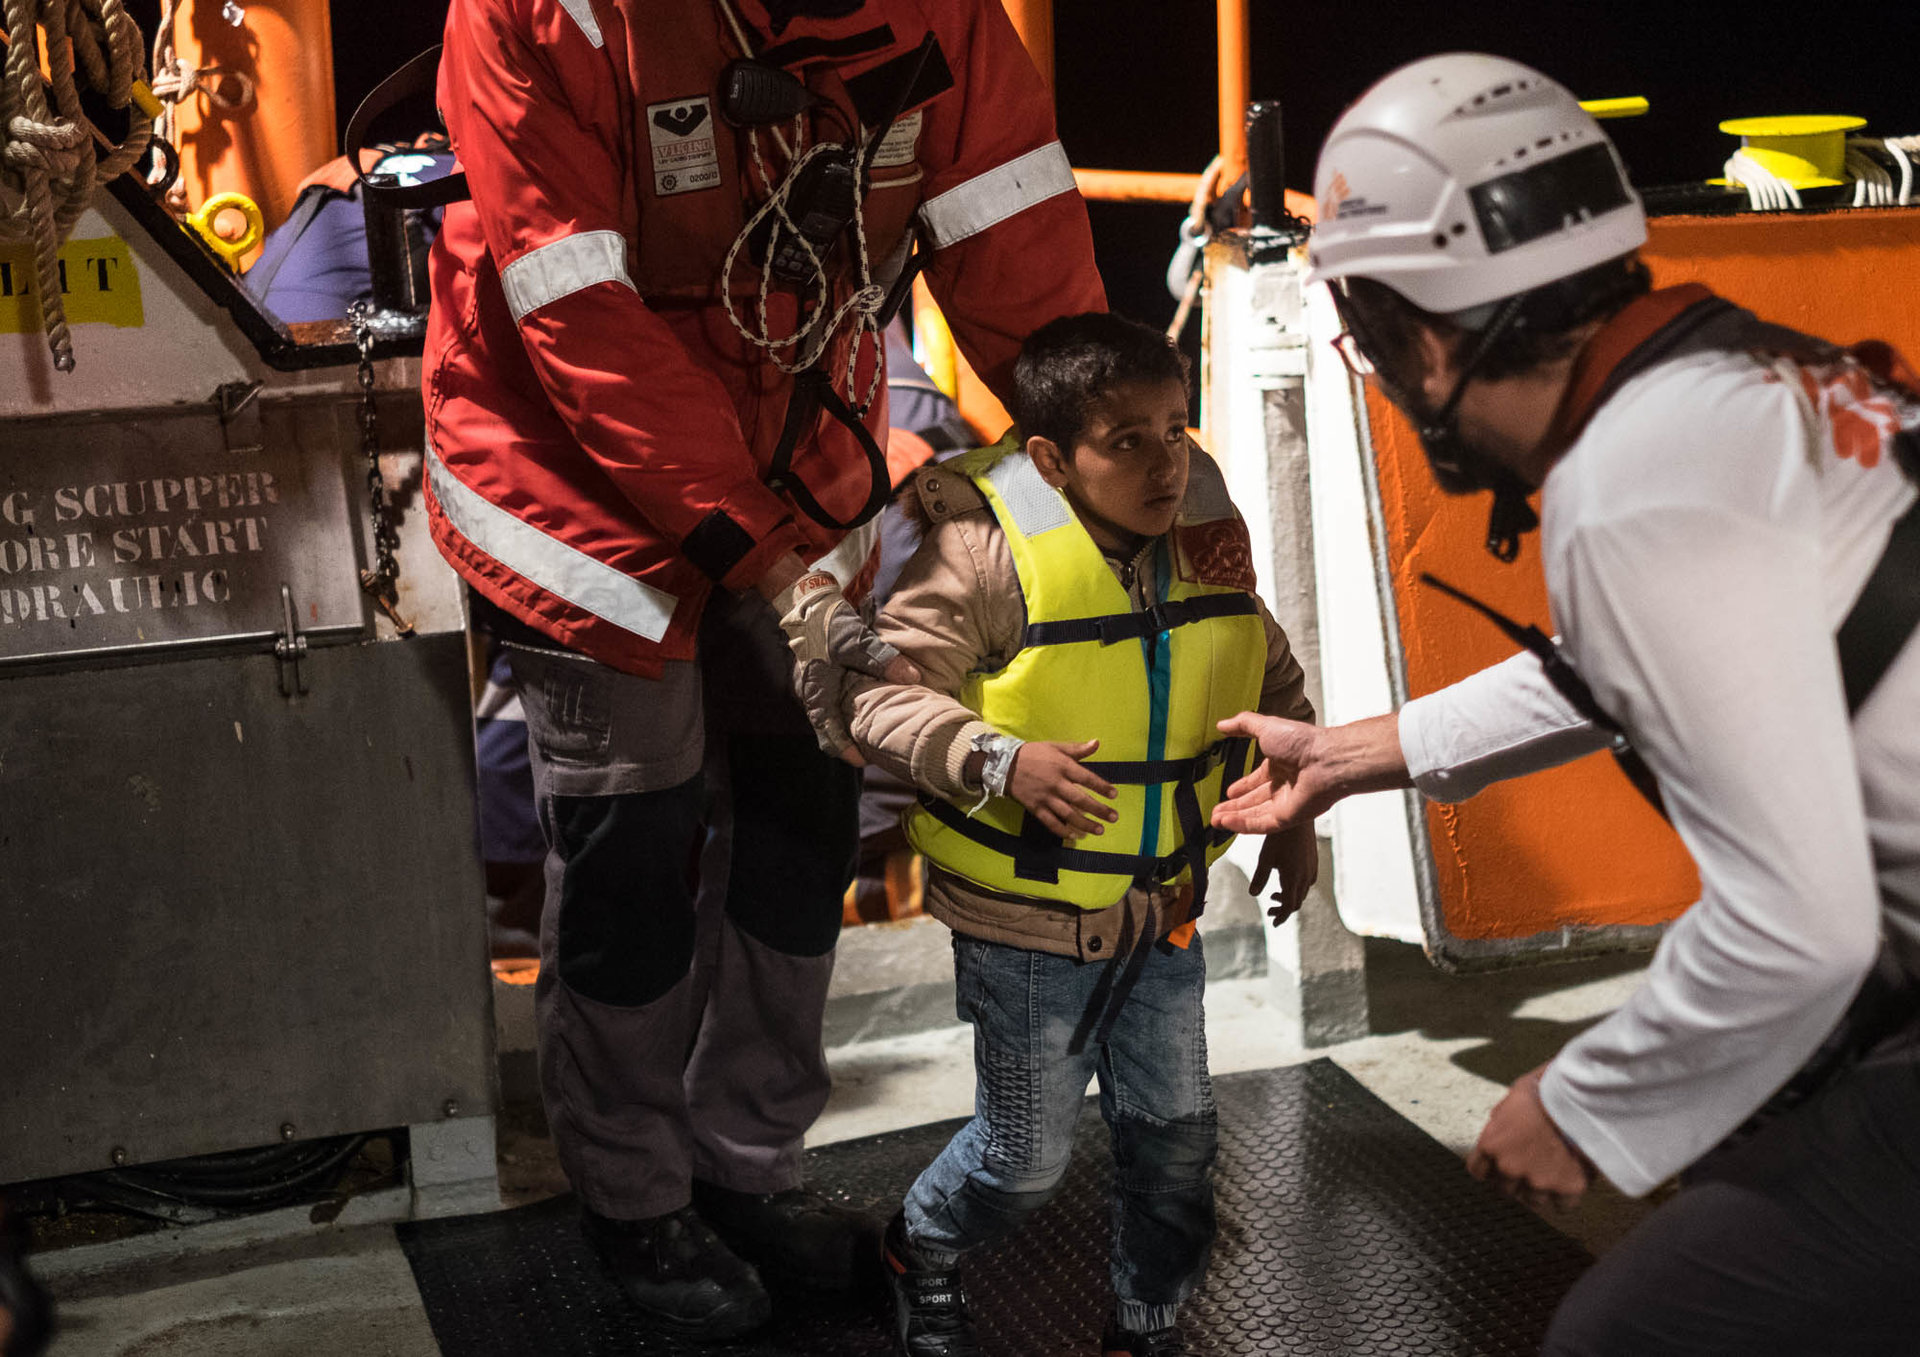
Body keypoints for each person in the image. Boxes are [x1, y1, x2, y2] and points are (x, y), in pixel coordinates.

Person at [1213, 52, 1920, 1355]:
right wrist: (1352, 752)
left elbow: (1798, 928)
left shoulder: (1631, 482)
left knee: (1626, 1333)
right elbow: (1634, 661)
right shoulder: (1744, 376)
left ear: (1423, 339)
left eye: (1366, 341)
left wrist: (1584, 1099)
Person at [423, 0, 1104, 1338]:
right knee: (636, 836)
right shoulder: (534, 17)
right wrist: (759, 552)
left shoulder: (936, 12)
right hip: (572, 473)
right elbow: (577, 312)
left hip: (800, 433)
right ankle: (632, 1194)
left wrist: (1125, 462)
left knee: (805, 816)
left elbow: (1017, 246)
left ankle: (744, 1169)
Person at [841, 313, 1320, 1357]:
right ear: (1053, 460)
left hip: (1165, 910)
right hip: (1028, 924)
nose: (1165, 462)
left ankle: (1144, 1328)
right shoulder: (980, 554)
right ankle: (918, 1245)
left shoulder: (1199, 538)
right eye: (1127, 440)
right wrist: (998, 759)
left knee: (1178, 1150)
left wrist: (1300, 813)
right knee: (1021, 1158)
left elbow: (1270, 677)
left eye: (1177, 429)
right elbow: (877, 701)